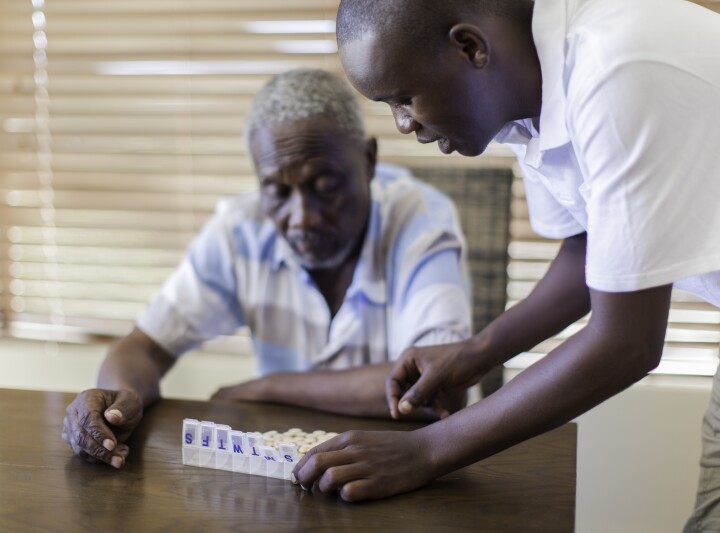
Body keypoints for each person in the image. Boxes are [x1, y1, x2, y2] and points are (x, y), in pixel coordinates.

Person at [291, 0, 720, 524]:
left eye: (403, 98)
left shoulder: (614, 73)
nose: (404, 124)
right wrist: (478, 352)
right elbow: (592, 248)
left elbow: (626, 343)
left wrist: (427, 451)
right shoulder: (524, 88)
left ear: (470, 47)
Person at [61, 68, 472, 470]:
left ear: (368, 160)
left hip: (398, 472)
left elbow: (439, 388)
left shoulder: (420, 220)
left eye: (325, 185)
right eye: (277, 191)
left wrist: (267, 387)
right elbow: (144, 347)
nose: (302, 218)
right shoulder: (240, 227)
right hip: (281, 474)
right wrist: (117, 399)